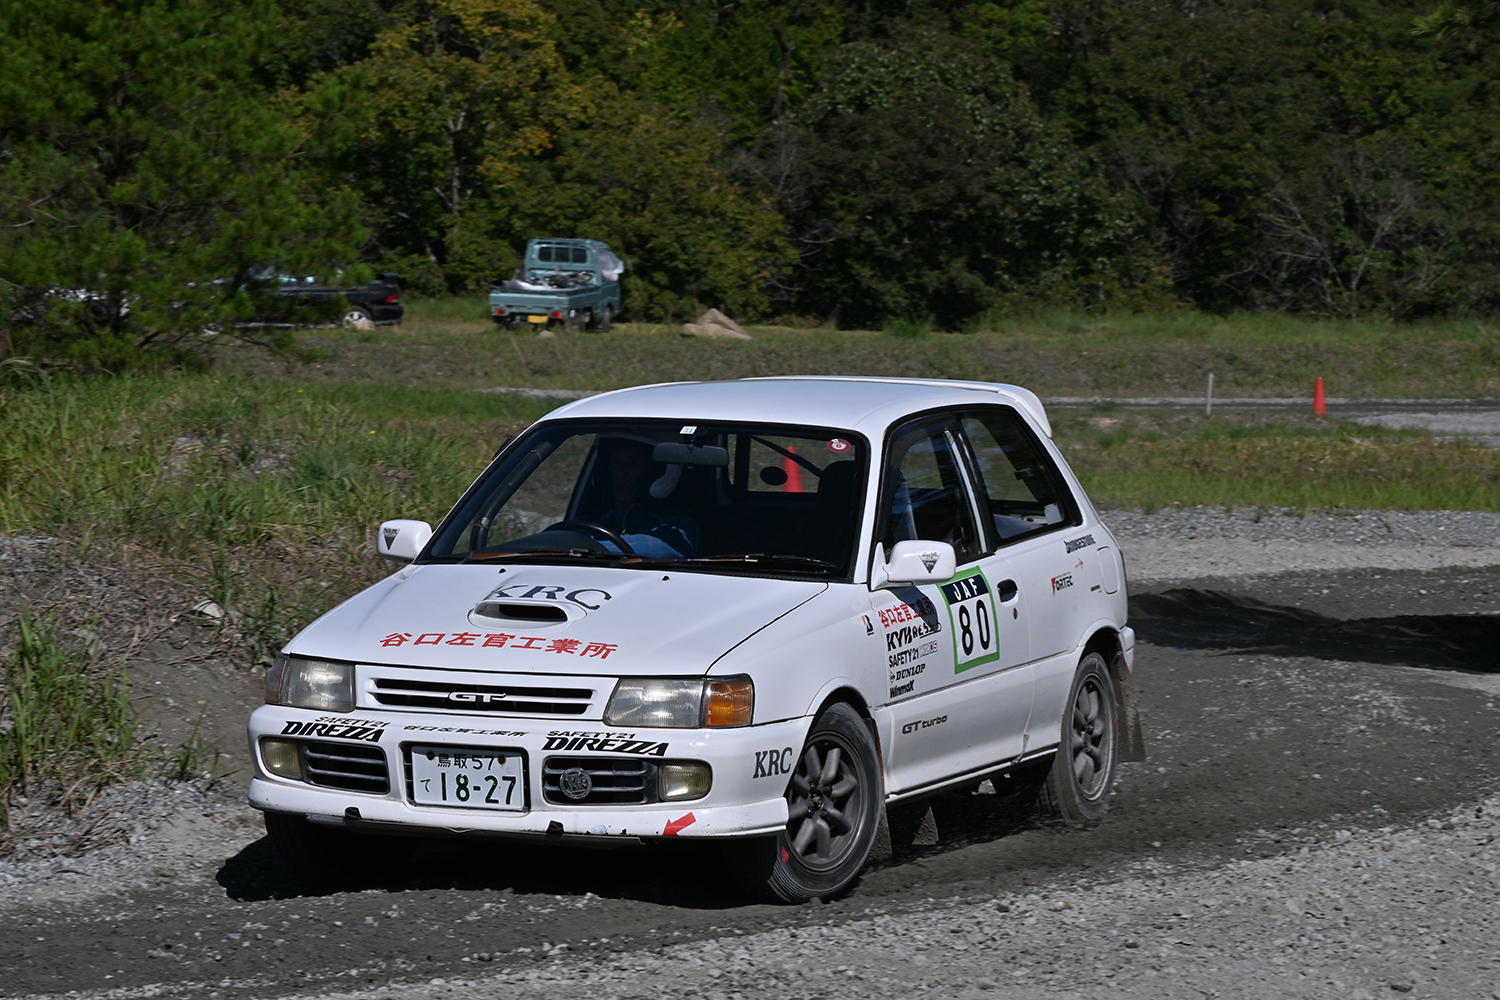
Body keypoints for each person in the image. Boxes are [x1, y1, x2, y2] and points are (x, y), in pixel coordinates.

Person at [594, 440, 699, 558]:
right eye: (616, 461)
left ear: (657, 472)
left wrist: (587, 549)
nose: (620, 472)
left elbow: (658, 547)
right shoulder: (599, 521)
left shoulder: (679, 526)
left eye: (633, 462)